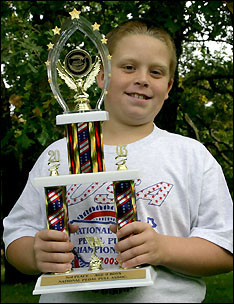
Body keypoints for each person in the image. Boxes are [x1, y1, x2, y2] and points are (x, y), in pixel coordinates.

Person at [3, 18, 233, 303]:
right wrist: (34, 254)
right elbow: (16, 236)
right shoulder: (59, 154)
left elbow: (225, 249)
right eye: (128, 67)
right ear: (101, 76)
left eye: (157, 72)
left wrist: (162, 249)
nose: (143, 79)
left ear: (169, 86)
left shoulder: (192, 156)